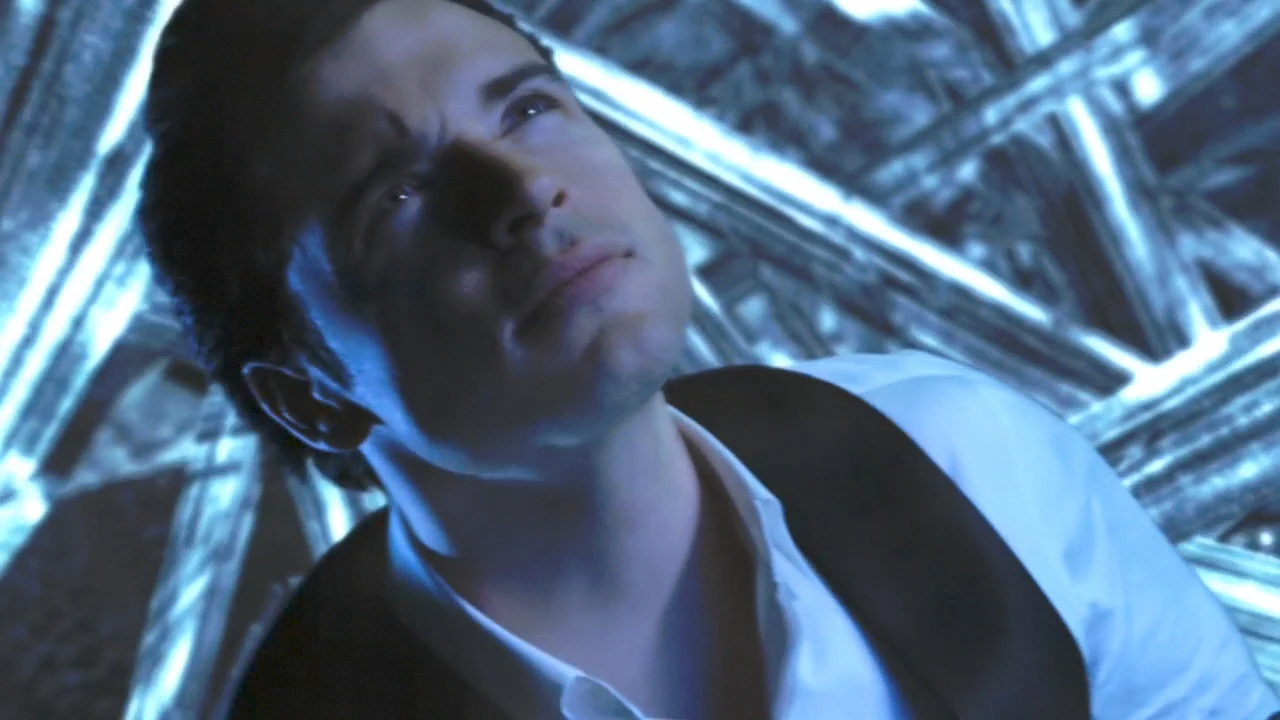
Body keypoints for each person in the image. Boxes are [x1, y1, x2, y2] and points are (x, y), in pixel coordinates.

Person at [138, 0, 1279, 718]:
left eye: (526, 109)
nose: (522, 190)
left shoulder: (967, 453)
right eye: (396, 195)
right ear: (311, 398)